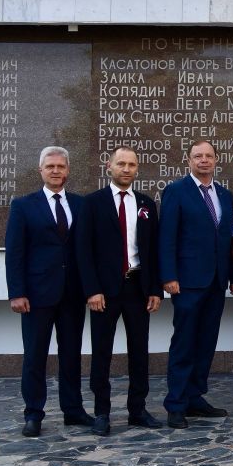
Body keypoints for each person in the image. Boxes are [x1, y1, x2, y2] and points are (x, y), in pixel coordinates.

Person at [76, 146, 164, 436]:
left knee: (139, 351)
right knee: (102, 351)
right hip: (105, 291)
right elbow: (83, 251)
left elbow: (152, 251)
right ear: (109, 166)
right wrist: (92, 290)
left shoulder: (146, 204)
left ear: (137, 169)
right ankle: (102, 412)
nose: (126, 169)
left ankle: (137, 409)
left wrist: (155, 289)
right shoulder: (92, 203)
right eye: (121, 164)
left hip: (137, 287)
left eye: (132, 165)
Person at [5, 146, 93, 437]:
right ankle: (34, 413)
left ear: (68, 170)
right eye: (50, 166)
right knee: (35, 356)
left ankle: (73, 410)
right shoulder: (23, 205)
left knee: (71, 354)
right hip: (36, 295)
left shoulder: (81, 205)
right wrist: (17, 292)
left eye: (61, 166)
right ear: (41, 170)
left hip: (72, 294)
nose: (56, 171)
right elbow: (15, 253)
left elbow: (86, 250)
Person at [159, 140, 233, 429]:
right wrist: (168, 276)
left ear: (216, 160)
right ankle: (176, 403)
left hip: (216, 281)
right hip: (187, 282)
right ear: (189, 160)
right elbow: (166, 236)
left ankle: (195, 397)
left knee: (205, 343)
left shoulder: (224, 195)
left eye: (209, 156)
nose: (204, 160)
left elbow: (226, 239)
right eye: (198, 156)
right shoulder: (176, 191)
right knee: (184, 342)